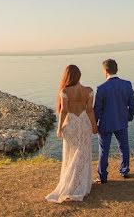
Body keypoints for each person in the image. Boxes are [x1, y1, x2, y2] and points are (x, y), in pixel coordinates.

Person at [45, 64, 98, 203]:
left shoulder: (65, 91)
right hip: (84, 123)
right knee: (84, 152)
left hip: (71, 124)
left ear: (67, 76)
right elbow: (90, 110)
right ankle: (83, 184)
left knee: (71, 153)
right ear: (79, 75)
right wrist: (94, 126)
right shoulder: (89, 90)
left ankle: (72, 183)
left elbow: (64, 111)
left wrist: (59, 127)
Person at [93, 58, 134, 182]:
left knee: (103, 150)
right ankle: (125, 170)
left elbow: (97, 109)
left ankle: (103, 176)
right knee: (124, 147)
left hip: (105, 124)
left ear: (106, 70)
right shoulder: (127, 84)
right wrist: (129, 117)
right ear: (116, 69)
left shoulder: (101, 88)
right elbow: (132, 104)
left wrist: (94, 124)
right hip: (122, 121)